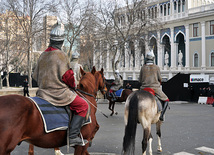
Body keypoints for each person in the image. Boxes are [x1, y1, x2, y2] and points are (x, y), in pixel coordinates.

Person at [32, 22, 88, 147]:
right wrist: (73, 86)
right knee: (83, 105)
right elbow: (68, 77)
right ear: (61, 42)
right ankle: (73, 136)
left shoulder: (42, 55)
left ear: (51, 40)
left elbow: (34, 76)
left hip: (42, 93)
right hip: (59, 93)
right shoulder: (61, 55)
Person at [139, 49, 169, 121]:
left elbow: (140, 79)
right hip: (155, 88)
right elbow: (160, 78)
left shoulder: (143, 67)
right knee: (166, 100)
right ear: (153, 59)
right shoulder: (156, 67)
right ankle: (161, 116)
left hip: (143, 88)